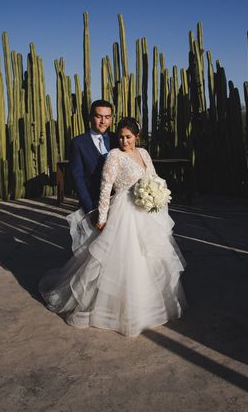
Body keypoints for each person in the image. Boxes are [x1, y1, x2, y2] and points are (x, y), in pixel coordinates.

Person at [39, 117, 187, 337]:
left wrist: (156, 194)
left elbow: (154, 177)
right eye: (120, 136)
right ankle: (115, 310)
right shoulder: (114, 156)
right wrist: (101, 216)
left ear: (137, 136)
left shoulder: (144, 153)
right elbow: (106, 187)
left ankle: (148, 307)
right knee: (124, 260)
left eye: (128, 137)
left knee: (149, 257)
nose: (123, 140)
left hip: (146, 211)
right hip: (124, 212)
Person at [69, 100, 114, 226]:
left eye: (107, 117)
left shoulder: (117, 139)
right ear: (90, 117)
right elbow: (78, 179)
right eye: (99, 116)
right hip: (93, 203)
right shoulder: (78, 143)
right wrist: (90, 210)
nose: (103, 121)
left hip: (118, 205)